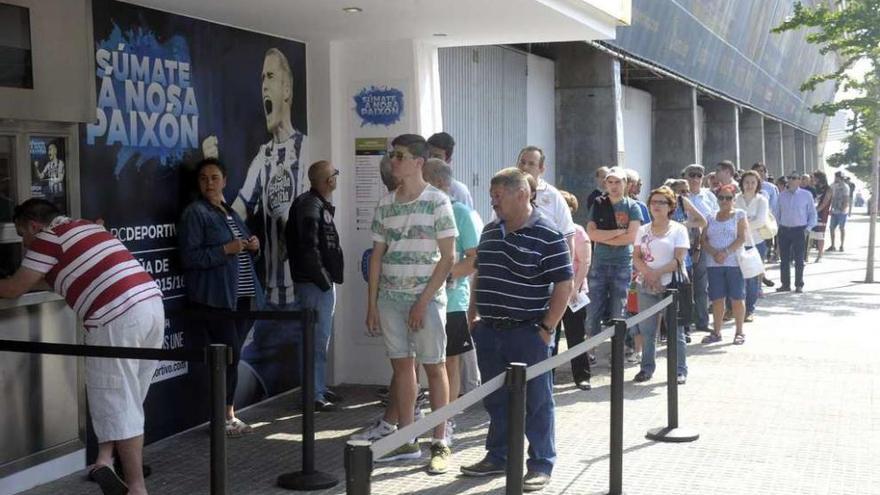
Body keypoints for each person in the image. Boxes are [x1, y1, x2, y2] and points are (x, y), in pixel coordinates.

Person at [1, 199, 164, 495]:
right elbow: (65, 276)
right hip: (151, 305)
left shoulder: (47, 239)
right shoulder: (84, 227)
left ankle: (137, 488)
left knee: (117, 399)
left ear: (35, 226)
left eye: (23, 234)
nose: (24, 244)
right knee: (126, 396)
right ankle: (105, 460)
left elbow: (13, 289)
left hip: (116, 317)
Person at [203, 47, 307, 396]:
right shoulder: (262, 158)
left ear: (288, 90)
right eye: (261, 78)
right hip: (270, 307)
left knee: (311, 381)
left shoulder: (307, 149)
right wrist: (212, 168)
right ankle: (229, 418)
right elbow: (235, 213)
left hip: (302, 300)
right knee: (244, 383)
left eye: (271, 77)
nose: (264, 86)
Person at [461, 167, 573, 493]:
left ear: (522, 194)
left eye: (499, 196)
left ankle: (540, 464)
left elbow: (564, 283)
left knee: (537, 401)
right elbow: (479, 274)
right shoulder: (490, 231)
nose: (493, 202)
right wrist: (473, 315)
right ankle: (498, 456)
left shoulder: (549, 234)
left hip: (528, 334)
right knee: (496, 400)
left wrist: (547, 327)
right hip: (489, 332)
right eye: (492, 196)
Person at [365, 134, 456, 473]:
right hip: (390, 298)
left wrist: (423, 301)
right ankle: (407, 438)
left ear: (418, 162)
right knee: (402, 369)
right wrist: (372, 304)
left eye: (400, 155)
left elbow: (448, 258)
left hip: (426, 300)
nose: (393, 160)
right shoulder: (385, 204)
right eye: (392, 155)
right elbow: (376, 257)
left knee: (435, 367)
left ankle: (440, 441)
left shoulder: (438, 201)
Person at [179, 158, 262, 436]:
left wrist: (253, 245)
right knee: (228, 356)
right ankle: (222, 417)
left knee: (233, 357)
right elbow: (189, 257)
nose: (209, 183)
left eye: (214, 177)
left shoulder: (229, 212)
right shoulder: (195, 213)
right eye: (203, 178)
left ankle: (228, 415)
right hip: (216, 299)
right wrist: (225, 249)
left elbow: (245, 244)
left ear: (225, 181)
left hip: (244, 298)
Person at [423, 157, 482, 444]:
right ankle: (430, 417)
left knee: (450, 363)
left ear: (440, 182)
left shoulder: (462, 213)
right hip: (424, 300)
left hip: (454, 303)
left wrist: (445, 277)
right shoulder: (421, 211)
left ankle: (446, 421)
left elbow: (475, 258)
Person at [287, 160, 345, 411]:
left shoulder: (314, 203)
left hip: (317, 283)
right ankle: (313, 395)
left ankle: (318, 388)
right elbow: (307, 248)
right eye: (335, 174)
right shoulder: (311, 205)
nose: (336, 178)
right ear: (328, 181)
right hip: (313, 285)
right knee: (315, 341)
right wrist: (323, 280)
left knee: (319, 340)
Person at [632, 186, 690, 383]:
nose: (656, 206)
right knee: (647, 330)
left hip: (671, 285)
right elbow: (637, 257)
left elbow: (679, 260)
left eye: (661, 202)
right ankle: (646, 368)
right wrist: (648, 275)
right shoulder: (642, 230)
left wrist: (657, 274)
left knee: (676, 330)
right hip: (646, 284)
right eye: (653, 202)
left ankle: (679, 369)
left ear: (670, 206)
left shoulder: (679, 229)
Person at [585, 167, 643, 340]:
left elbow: (631, 237)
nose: (613, 186)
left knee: (620, 309)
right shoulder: (598, 203)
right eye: (610, 182)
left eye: (618, 182)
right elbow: (591, 233)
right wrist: (618, 232)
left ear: (626, 184)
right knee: (593, 309)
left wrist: (604, 237)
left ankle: (619, 348)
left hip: (622, 263)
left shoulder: (633, 207)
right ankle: (591, 349)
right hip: (600, 262)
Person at [701, 184, 749, 345]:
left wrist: (726, 252)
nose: (724, 201)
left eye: (728, 198)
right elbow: (703, 240)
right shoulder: (710, 216)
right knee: (717, 299)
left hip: (734, 262)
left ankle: (739, 331)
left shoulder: (739, 215)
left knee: (737, 297)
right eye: (721, 197)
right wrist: (714, 253)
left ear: (734, 199)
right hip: (714, 263)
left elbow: (742, 237)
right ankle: (716, 331)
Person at [558, 190, 592, 390]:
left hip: (574, 293)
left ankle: (581, 376)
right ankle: (547, 375)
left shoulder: (578, 231)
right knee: (550, 337)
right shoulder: (549, 229)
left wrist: (574, 288)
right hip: (552, 292)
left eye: (566, 205)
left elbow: (585, 262)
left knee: (576, 335)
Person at [516, 146, 577, 250]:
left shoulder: (553, 196)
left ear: (541, 169)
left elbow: (568, 236)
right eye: (522, 162)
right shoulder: (507, 194)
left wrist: (567, 265)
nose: (525, 167)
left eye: (531, 164)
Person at [682, 164, 719, 332]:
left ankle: (702, 322)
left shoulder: (709, 196)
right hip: (681, 245)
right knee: (684, 285)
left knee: (701, 285)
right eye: (692, 175)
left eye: (699, 175)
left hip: (702, 243)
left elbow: (716, 219)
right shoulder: (679, 195)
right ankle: (685, 323)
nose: (696, 178)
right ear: (685, 176)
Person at [734, 171, 769, 322]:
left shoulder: (762, 200)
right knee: (737, 277)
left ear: (757, 184)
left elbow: (761, 221)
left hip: (756, 243)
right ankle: (733, 309)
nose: (749, 185)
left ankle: (749, 309)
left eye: (753, 182)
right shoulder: (736, 199)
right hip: (737, 243)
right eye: (747, 182)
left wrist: (743, 224)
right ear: (741, 183)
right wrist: (747, 223)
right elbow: (731, 218)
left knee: (753, 278)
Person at [777, 175, 817, 293]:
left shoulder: (806, 195)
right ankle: (785, 284)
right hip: (784, 229)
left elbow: (812, 213)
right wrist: (778, 226)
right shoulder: (782, 195)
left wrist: (808, 228)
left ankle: (799, 284)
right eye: (790, 178)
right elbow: (777, 212)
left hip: (799, 230)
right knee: (784, 259)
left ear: (799, 181)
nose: (791, 180)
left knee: (799, 259)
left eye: (794, 178)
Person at [427, 132, 474, 208]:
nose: (430, 159)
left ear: (448, 161)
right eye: (428, 155)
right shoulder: (416, 186)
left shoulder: (458, 191)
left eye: (437, 156)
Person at [807, 171, 832, 262]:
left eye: (814, 178)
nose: (813, 179)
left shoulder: (828, 189)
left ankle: (820, 255)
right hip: (811, 213)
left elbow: (824, 203)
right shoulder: (813, 188)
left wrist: (815, 211)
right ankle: (806, 255)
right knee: (809, 234)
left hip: (822, 215)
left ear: (819, 178)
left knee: (820, 235)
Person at [828, 171, 851, 251]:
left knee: (842, 228)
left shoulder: (846, 187)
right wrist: (830, 209)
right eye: (836, 176)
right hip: (834, 210)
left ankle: (841, 245)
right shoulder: (833, 185)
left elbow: (846, 198)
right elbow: (830, 197)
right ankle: (832, 245)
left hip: (842, 211)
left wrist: (843, 208)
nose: (836, 178)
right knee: (831, 228)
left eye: (838, 177)